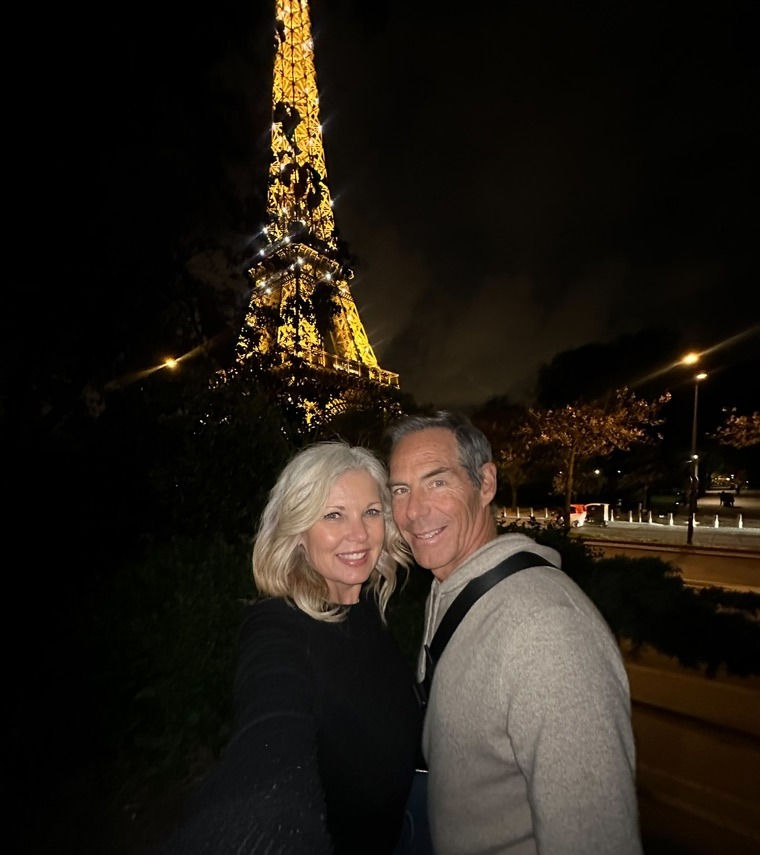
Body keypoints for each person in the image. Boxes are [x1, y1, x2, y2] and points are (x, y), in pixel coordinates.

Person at [386, 411, 643, 855]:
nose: (412, 512)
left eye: (437, 482)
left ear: (486, 484)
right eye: (400, 490)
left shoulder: (548, 632)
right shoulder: (453, 585)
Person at [156, 441, 423, 855]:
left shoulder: (364, 603)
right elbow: (269, 739)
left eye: (371, 512)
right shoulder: (278, 627)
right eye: (333, 515)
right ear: (298, 532)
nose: (359, 533)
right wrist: (255, 826)